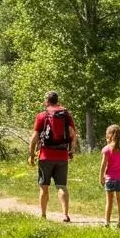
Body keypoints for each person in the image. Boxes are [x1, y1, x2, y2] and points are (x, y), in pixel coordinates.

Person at [27, 91, 77, 222]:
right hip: (62, 155)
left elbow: (34, 138)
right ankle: (65, 214)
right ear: (57, 101)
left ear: (46, 101)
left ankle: (43, 215)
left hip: (45, 156)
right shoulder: (66, 115)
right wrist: (71, 151)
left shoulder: (42, 116)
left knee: (44, 186)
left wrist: (31, 155)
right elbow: (73, 134)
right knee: (61, 186)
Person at [99, 125, 120, 228]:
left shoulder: (107, 149)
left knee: (109, 201)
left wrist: (101, 177)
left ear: (109, 135)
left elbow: (103, 165)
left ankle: (107, 222)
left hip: (110, 178)